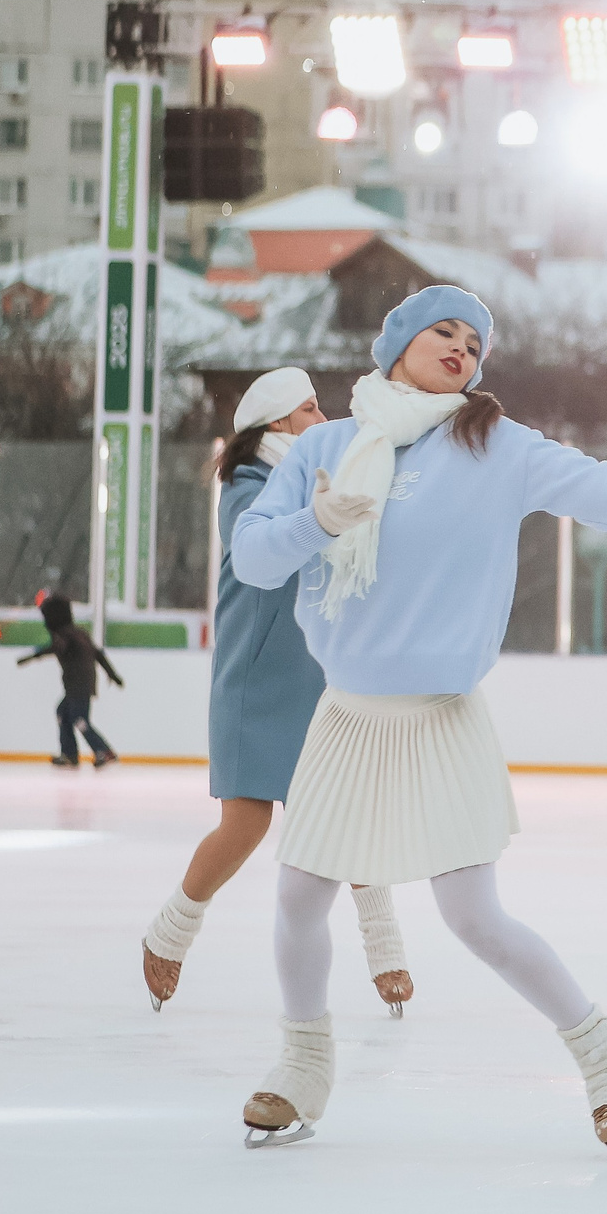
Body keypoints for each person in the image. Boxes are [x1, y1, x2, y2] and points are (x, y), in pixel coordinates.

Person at [227, 286, 607, 1155]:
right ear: (396, 343)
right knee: (297, 897)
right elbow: (251, 556)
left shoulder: (493, 445)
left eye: (476, 341)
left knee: (475, 918)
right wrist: (316, 520)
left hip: (440, 716)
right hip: (346, 716)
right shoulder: (322, 446)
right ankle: (301, 1068)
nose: (463, 348)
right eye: (444, 332)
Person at [139, 368, 414, 1016]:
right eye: (310, 407)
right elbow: (263, 546)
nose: (321, 417)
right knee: (246, 822)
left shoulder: (329, 474)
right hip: (255, 678)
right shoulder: (247, 486)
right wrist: (319, 515)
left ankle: (385, 946)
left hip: (318, 678)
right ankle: (168, 934)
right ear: (276, 422)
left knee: (347, 814)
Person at [17, 592, 122, 768]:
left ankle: (104, 751)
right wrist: (112, 675)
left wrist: (31, 657)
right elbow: (99, 655)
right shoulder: (80, 634)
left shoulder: (64, 636)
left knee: (79, 719)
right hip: (80, 684)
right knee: (63, 713)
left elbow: (57, 647)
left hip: (77, 685)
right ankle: (70, 754)